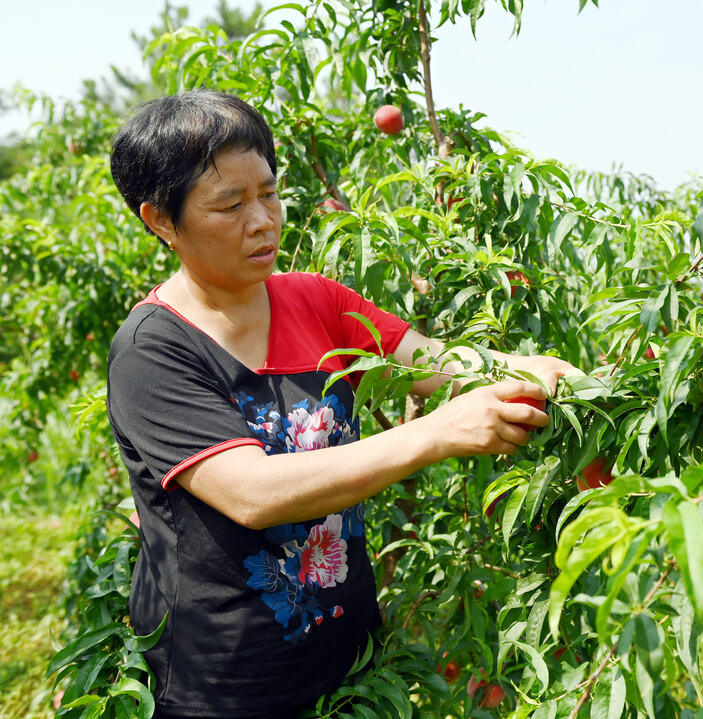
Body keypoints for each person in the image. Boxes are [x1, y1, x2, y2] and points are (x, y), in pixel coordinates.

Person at [106, 89, 575, 718]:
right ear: (160, 220)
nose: (262, 220)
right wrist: (437, 434)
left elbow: (436, 362)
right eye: (230, 204)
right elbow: (253, 493)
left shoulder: (317, 301)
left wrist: (534, 370)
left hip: (350, 668)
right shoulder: (151, 350)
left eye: (268, 193)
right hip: (223, 686)